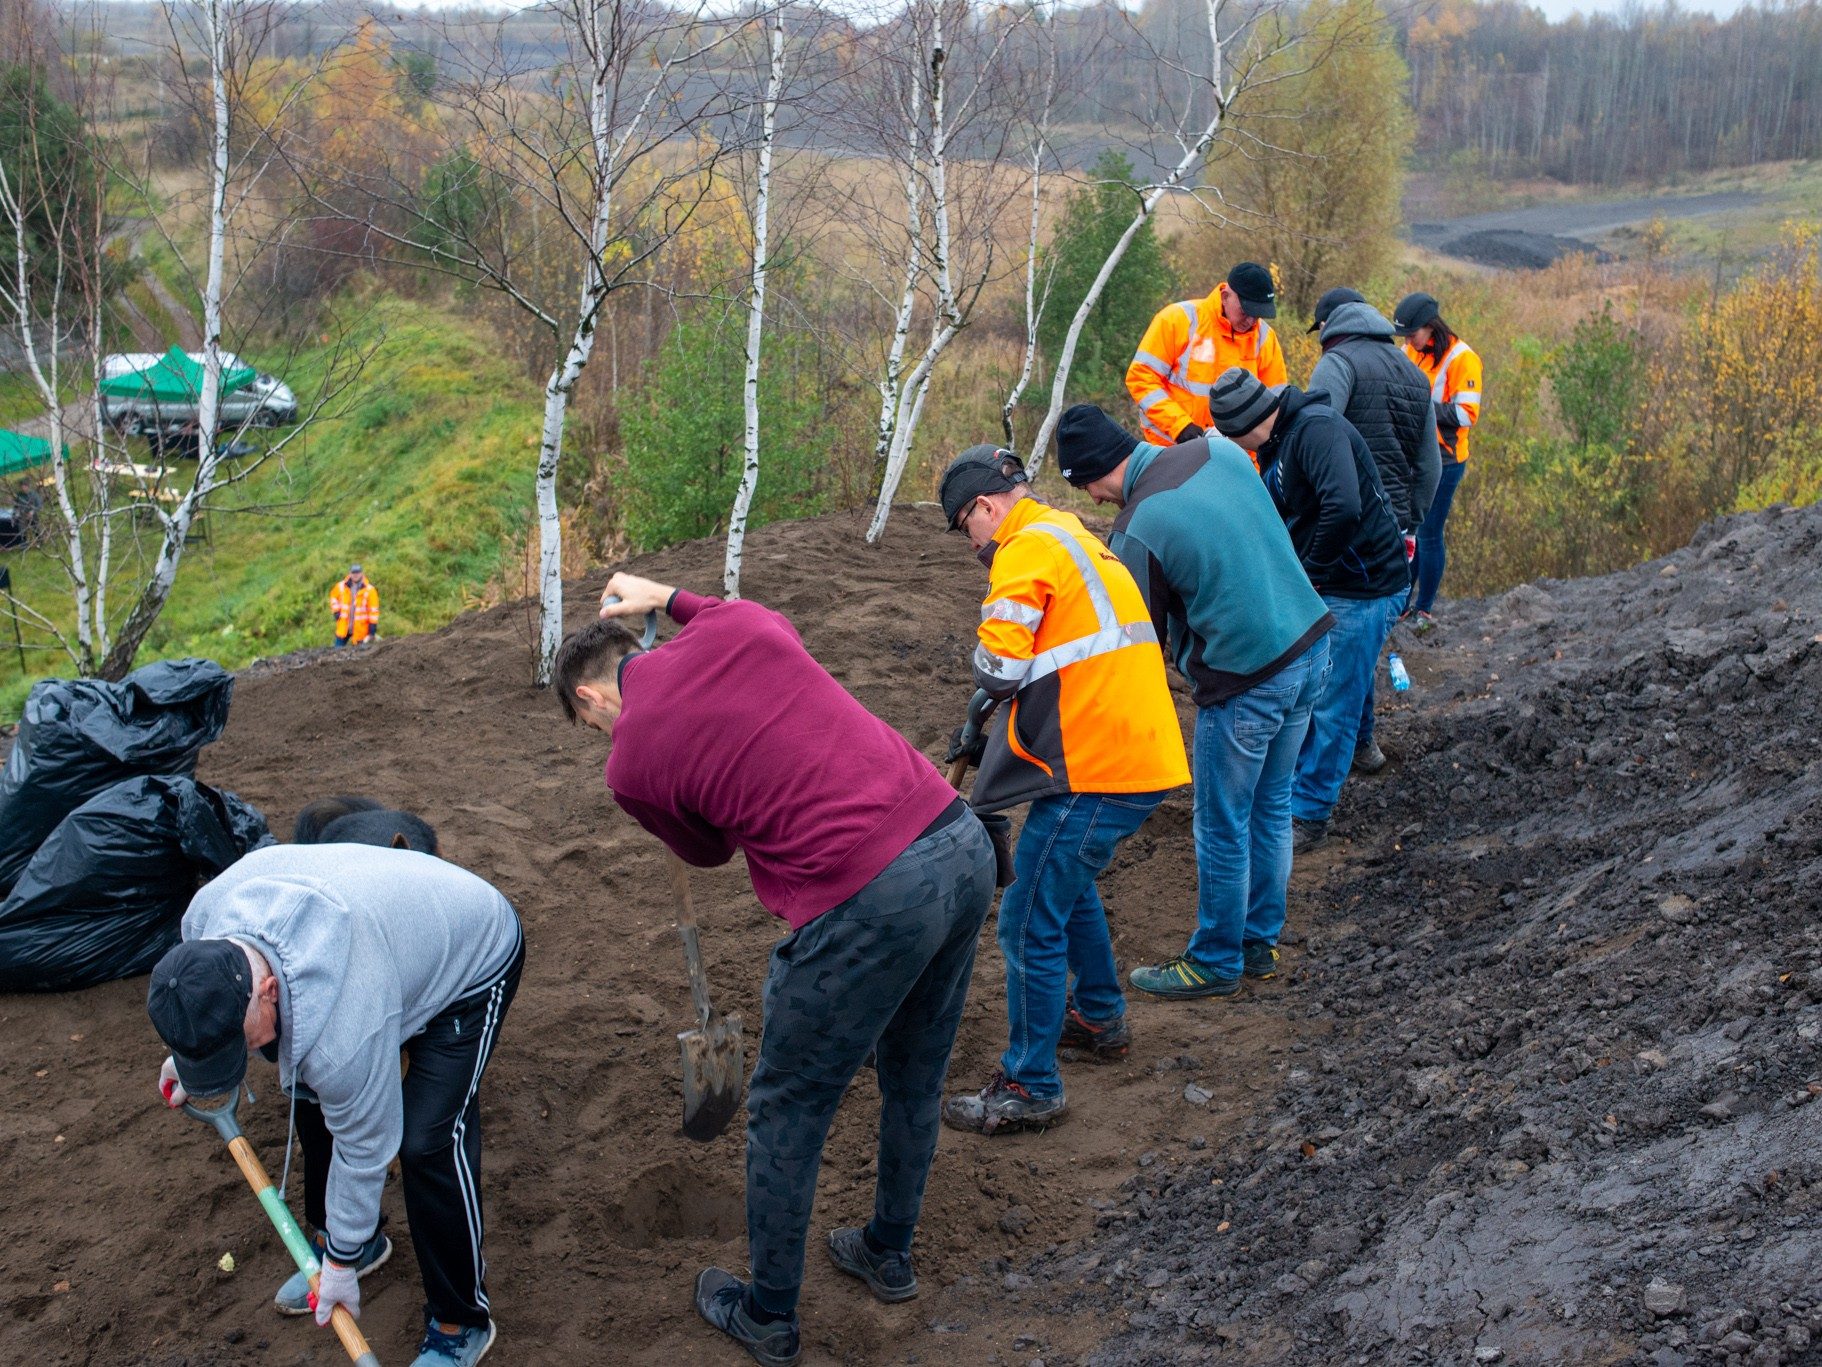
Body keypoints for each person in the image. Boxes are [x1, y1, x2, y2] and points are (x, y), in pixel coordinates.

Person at [557, 574, 996, 1366]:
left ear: (590, 697)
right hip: (959, 842)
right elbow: (705, 607)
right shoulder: (738, 627)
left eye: (592, 727)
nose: (602, 739)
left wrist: (660, 781)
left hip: (867, 895)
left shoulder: (629, 764)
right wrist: (660, 595)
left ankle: (768, 1314)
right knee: (914, 1074)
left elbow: (710, 850)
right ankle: (888, 1252)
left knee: (787, 1104)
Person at [149, 843, 525, 1367]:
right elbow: (202, 1005)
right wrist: (194, 1058)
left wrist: (340, 1268)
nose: (244, 1054)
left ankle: (460, 1321)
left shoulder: (342, 1036)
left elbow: (365, 1146)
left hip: (470, 952)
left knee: (427, 1140)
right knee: (307, 1087)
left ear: (269, 991)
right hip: (380, 941)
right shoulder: (204, 922)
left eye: (238, 1043)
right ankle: (359, 1241)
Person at [933, 445, 1188, 1133]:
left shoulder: (1023, 551)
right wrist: (981, 725)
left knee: (1026, 915)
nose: (970, 543)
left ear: (985, 506)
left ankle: (1030, 1083)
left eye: (964, 526)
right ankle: (1098, 1015)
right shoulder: (1070, 534)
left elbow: (999, 666)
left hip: (1102, 761)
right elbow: (1061, 656)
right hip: (1125, 747)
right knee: (1063, 887)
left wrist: (981, 698)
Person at [1055, 404, 1332, 999]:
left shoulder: (1136, 530)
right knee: (1272, 805)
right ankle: (1257, 944)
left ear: (1095, 471)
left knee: (1222, 824)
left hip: (1247, 681)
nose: (1096, 500)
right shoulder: (1221, 451)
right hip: (1310, 647)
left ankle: (1214, 961)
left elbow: (1136, 645)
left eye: (1086, 488)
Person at [1206, 369, 1408, 854]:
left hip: (1364, 583)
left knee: (1330, 699)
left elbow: (1344, 507)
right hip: (1341, 578)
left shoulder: (1316, 431)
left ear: (1242, 427)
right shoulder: (1277, 442)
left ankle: (1310, 812)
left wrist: (1311, 573)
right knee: (1347, 676)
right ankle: (1362, 748)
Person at [1306, 286, 1440, 775]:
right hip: (1394, 530)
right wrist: (1411, 522)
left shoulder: (1337, 364)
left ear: (1329, 326)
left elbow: (1316, 436)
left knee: (1335, 652)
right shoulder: (1413, 373)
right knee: (1360, 644)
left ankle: (1317, 782)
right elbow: (1430, 467)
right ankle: (1362, 744)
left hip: (1347, 527)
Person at [1125, 262, 1287, 454]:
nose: (1251, 321)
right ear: (1225, 297)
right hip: (1171, 451)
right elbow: (1141, 377)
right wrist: (1180, 426)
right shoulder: (1178, 320)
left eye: (1258, 315)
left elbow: (1275, 408)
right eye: (1245, 311)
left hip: (1235, 460)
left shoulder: (1265, 339)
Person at [1395, 291, 1482, 634]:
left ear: (1430, 327)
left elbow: (1466, 414)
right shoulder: (1411, 352)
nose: (1408, 342)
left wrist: (1421, 408)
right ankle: (1403, 605)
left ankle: (1425, 609)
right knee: (1410, 530)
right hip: (1415, 455)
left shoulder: (1463, 359)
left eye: (1412, 334)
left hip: (1446, 459)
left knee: (1429, 532)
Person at [330, 563, 379, 647]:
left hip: (360, 630)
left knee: (360, 654)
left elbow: (373, 610)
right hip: (344, 627)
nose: (355, 575)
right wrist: (336, 611)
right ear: (350, 573)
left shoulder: (370, 590)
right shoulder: (341, 586)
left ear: (362, 573)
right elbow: (333, 597)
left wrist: (372, 627)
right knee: (337, 651)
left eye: (357, 572)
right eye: (353, 572)